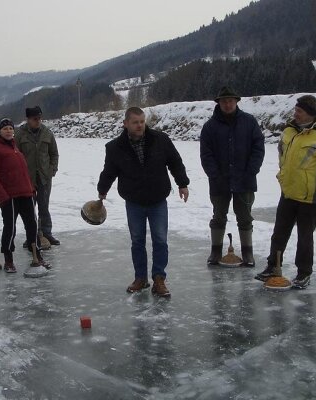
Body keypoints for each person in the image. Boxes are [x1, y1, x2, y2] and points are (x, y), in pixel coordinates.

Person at [97, 107, 190, 297]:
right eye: (135, 122)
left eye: (142, 121)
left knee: (160, 240)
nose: (140, 125)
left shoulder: (160, 140)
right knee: (137, 241)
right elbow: (109, 171)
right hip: (134, 202)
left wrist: (182, 184)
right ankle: (141, 278)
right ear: (126, 124)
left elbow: (175, 162)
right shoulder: (115, 147)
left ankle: (159, 279)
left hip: (157, 200)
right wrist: (102, 190)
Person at [255, 95, 316, 289]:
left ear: (310, 113)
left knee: (305, 238)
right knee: (279, 234)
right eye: (295, 110)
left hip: (309, 197)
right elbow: (282, 155)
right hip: (288, 192)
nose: (296, 114)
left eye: (299, 111)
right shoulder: (288, 131)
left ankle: (304, 273)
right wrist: (283, 175)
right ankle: (273, 267)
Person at [200, 86, 265, 266]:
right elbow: (206, 155)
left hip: (245, 181)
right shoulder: (209, 127)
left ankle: (248, 253)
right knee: (218, 216)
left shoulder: (249, 122)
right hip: (219, 182)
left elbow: (258, 148)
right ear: (218, 103)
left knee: (245, 217)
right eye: (223, 101)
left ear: (236, 101)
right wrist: (214, 175)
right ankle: (215, 251)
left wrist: (251, 171)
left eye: (230, 101)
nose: (227, 104)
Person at [0, 117, 50, 276]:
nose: (9, 131)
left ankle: (37, 255)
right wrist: (2, 196)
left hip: (26, 194)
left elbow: (22, 171)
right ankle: (8, 259)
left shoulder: (14, 147)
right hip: (10, 197)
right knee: (10, 228)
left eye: (11, 128)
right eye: (5, 128)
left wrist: (31, 188)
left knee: (32, 226)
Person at [14, 106, 60, 246]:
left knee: (44, 207)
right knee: (29, 209)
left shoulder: (47, 133)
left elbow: (54, 153)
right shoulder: (20, 134)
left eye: (40, 118)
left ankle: (47, 234)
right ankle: (31, 237)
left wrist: (52, 170)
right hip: (27, 179)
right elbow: (15, 156)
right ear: (28, 119)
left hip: (44, 178)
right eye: (35, 119)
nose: (38, 121)